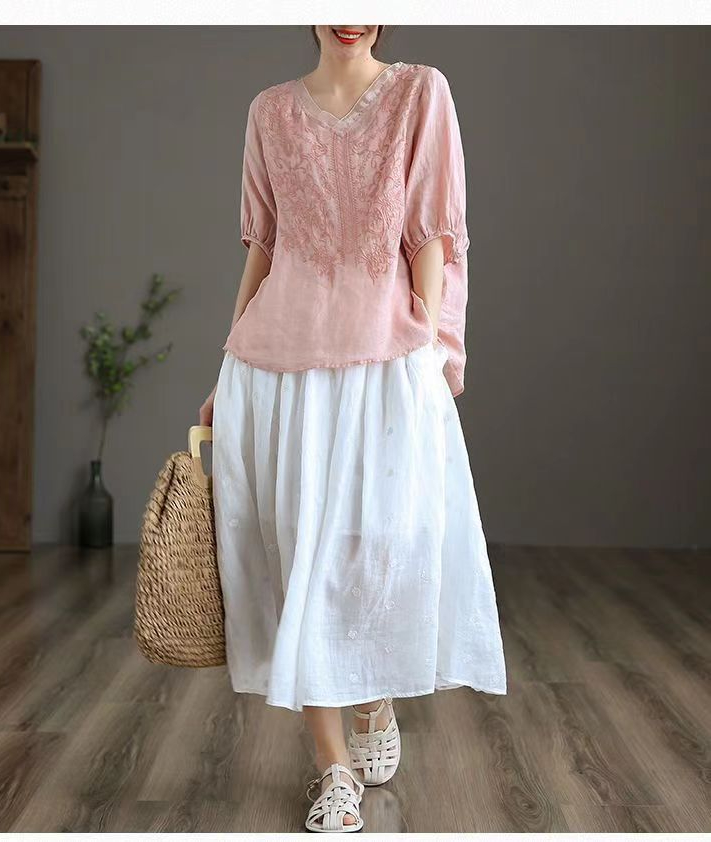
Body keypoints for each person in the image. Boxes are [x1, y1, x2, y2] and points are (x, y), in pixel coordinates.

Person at [199, 24, 507, 833]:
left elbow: (432, 231)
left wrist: (431, 347)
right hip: (277, 363)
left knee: (378, 541)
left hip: (383, 354)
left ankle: (372, 695)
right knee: (297, 554)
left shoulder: (420, 92)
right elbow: (263, 246)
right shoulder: (268, 111)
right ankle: (332, 767)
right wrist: (224, 368)